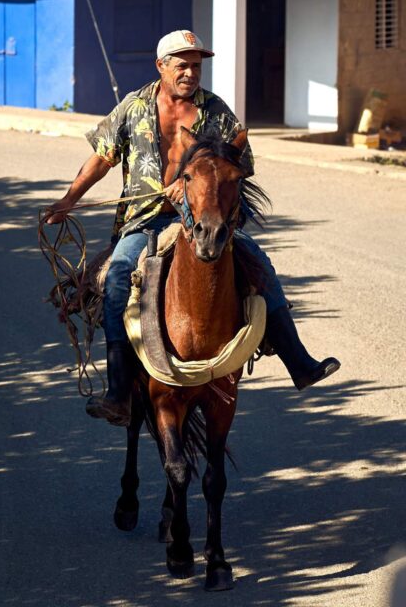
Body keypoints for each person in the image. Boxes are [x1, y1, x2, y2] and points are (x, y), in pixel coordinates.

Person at [45, 30, 340, 426]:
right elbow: (101, 158)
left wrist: (196, 178)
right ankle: (118, 392)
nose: (190, 73)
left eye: (196, 66)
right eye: (181, 65)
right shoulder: (133, 107)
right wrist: (69, 200)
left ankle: (298, 361)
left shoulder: (216, 112)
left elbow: (241, 163)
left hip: (202, 218)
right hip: (143, 219)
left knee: (257, 262)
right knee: (117, 277)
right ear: (161, 67)